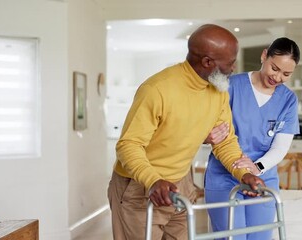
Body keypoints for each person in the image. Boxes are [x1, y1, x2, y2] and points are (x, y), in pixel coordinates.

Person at [107, 24, 266, 240]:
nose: (234, 67)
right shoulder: (157, 89)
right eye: (229, 62)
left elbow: (225, 141)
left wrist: (244, 173)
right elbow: (128, 145)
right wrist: (153, 180)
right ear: (208, 62)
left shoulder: (217, 90)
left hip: (181, 180)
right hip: (141, 185)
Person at [204, 37, 301, 240]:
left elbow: (281, 147)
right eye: (275, 68)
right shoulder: (230, 87)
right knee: (232, 237)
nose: (278, 77)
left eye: (286, 74)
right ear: (264, 55)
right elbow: (207, 130)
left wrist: (256, 168)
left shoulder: (288, 100)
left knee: (260, 237)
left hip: (262, 177)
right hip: (224, 177)